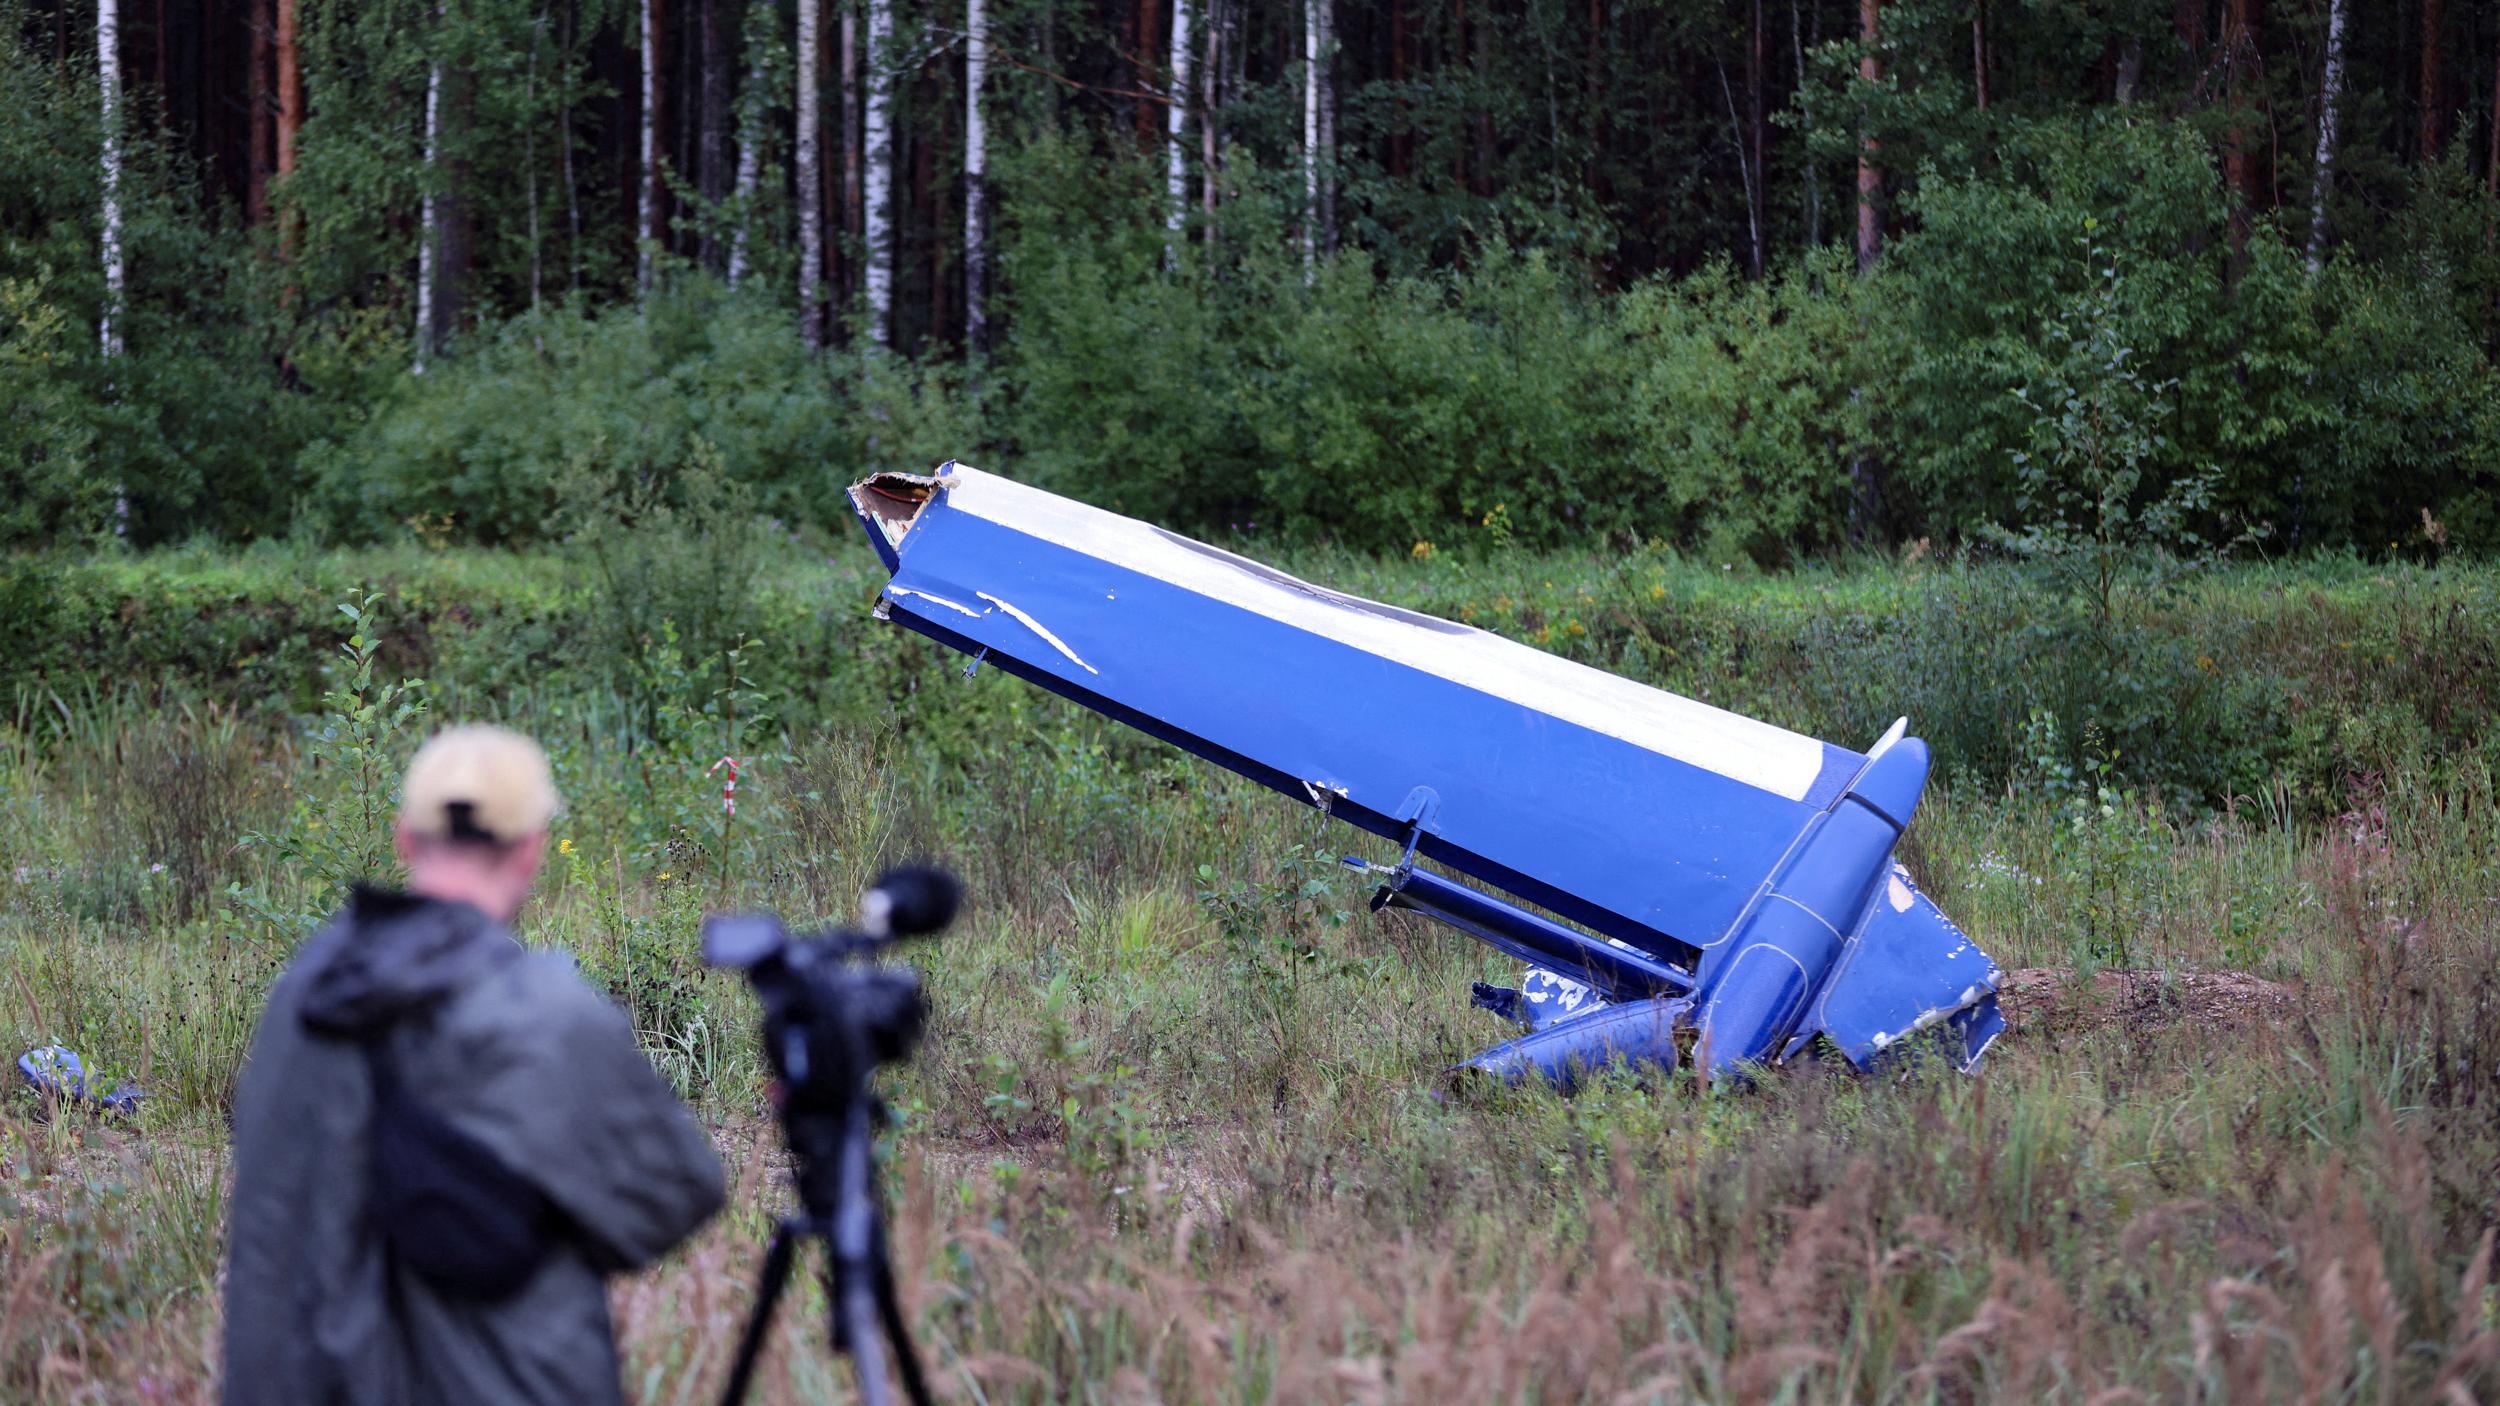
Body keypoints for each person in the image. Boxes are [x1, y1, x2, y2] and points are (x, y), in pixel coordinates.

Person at [223, 725, 725, 1405]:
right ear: (531, 850)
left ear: (405, 838)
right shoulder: (547, 1011)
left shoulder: (302, 997)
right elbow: (671, 1198)